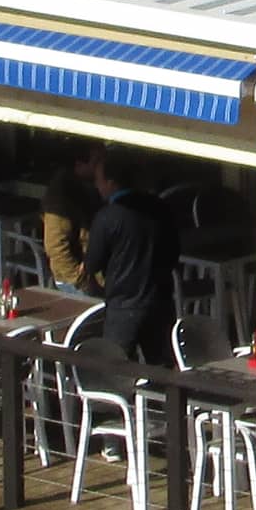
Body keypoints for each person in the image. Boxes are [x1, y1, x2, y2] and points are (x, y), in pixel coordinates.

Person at [82, 153, 179, 365]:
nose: (97, 186)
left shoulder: (108, 216)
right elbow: (174, 253)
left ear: (111, 183)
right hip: (160, 300)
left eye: (98, 180)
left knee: (115, 369)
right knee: (162, 367)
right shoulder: (160, 207)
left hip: (123, 305)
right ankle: (158, 399)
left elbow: (93, 263)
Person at [38, 150, 104, 293]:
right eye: (97, 160)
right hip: (75, 281)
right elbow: (56, 247)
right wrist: (80, 280)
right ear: (79, 165)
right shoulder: (60, 197)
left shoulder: (87, 185)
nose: (101, 164)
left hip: (92, 274)